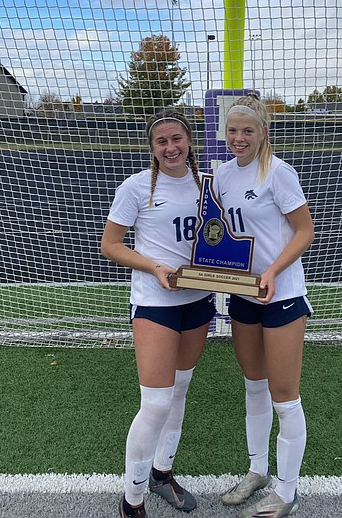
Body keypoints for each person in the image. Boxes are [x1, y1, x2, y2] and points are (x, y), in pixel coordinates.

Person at [101, 110, 215, 518]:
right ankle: (132, 500)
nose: (170, 148)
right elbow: (110, 244)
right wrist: (154, 267)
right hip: (155, 305)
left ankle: (162, 474)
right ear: (152, 148)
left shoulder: (208, 185)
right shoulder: (135, 187)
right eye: (161, 141)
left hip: (199, 301)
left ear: (189, 141)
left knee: (179, 391)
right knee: (155, 403)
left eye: (176, 139)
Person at [214, 94, 315, 518]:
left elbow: (305, 231)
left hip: (282, 296)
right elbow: (219, 234)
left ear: (262, 132)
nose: (238, 138)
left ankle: (287, 492)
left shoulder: (278, 172)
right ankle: (257, 470)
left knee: (284, 396)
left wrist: (272, 271)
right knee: (253, 384)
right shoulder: (221, 175)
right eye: (232, 130)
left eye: (247, 131)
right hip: (243, 295)